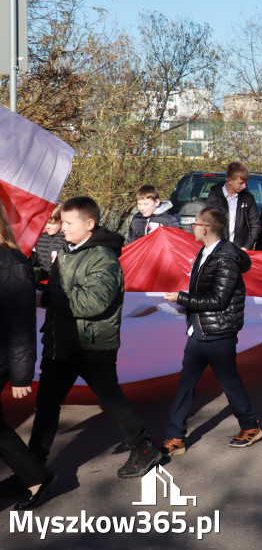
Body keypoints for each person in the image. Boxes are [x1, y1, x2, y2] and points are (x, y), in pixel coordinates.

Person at [29, 197, 160, 479]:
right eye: (61, 221)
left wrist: (49, 297)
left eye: (67, 222)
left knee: (111, 399)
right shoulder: (66, 252)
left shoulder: (103, 257)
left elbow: (93, 303)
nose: (62, 227)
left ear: (89, 224)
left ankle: (144, 447)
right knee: (47, 405)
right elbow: (60, 293)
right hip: (61, 343)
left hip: (92, 346)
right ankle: (31, 469)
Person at [161, 207, 262, 456]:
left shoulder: (226, 257)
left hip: (219, 333)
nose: (192, 227)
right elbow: (202, 293)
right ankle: (175, 436)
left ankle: (250, 427)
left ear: (205, 227)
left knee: (230, 383)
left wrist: (182, 298)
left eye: (195, 223)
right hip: (198, 331)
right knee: (186, 384)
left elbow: (218, 299)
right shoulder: (204, 252)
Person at [0, 203, 56, 510]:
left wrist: (21, 373)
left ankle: (36, 478)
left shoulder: (12, 263)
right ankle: (36, 477)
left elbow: (20, 322)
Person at [205, 161, 261, 250]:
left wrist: (247, 246)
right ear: (230, 180)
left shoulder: (248, 199)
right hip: (219, 249)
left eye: (245, 183)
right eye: (241, 183)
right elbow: (208, 224)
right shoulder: (214, 197)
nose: (244, 186)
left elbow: (255, 225)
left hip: (240, 249)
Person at [30, 207, 66, 283]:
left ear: (61, 222)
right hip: (42, 280)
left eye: (52, 224)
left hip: (59, 285)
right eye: (45, 222)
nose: (47, 226)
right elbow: (38, 260)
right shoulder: (41, 238)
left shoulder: (67, 240)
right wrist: (31, 257)